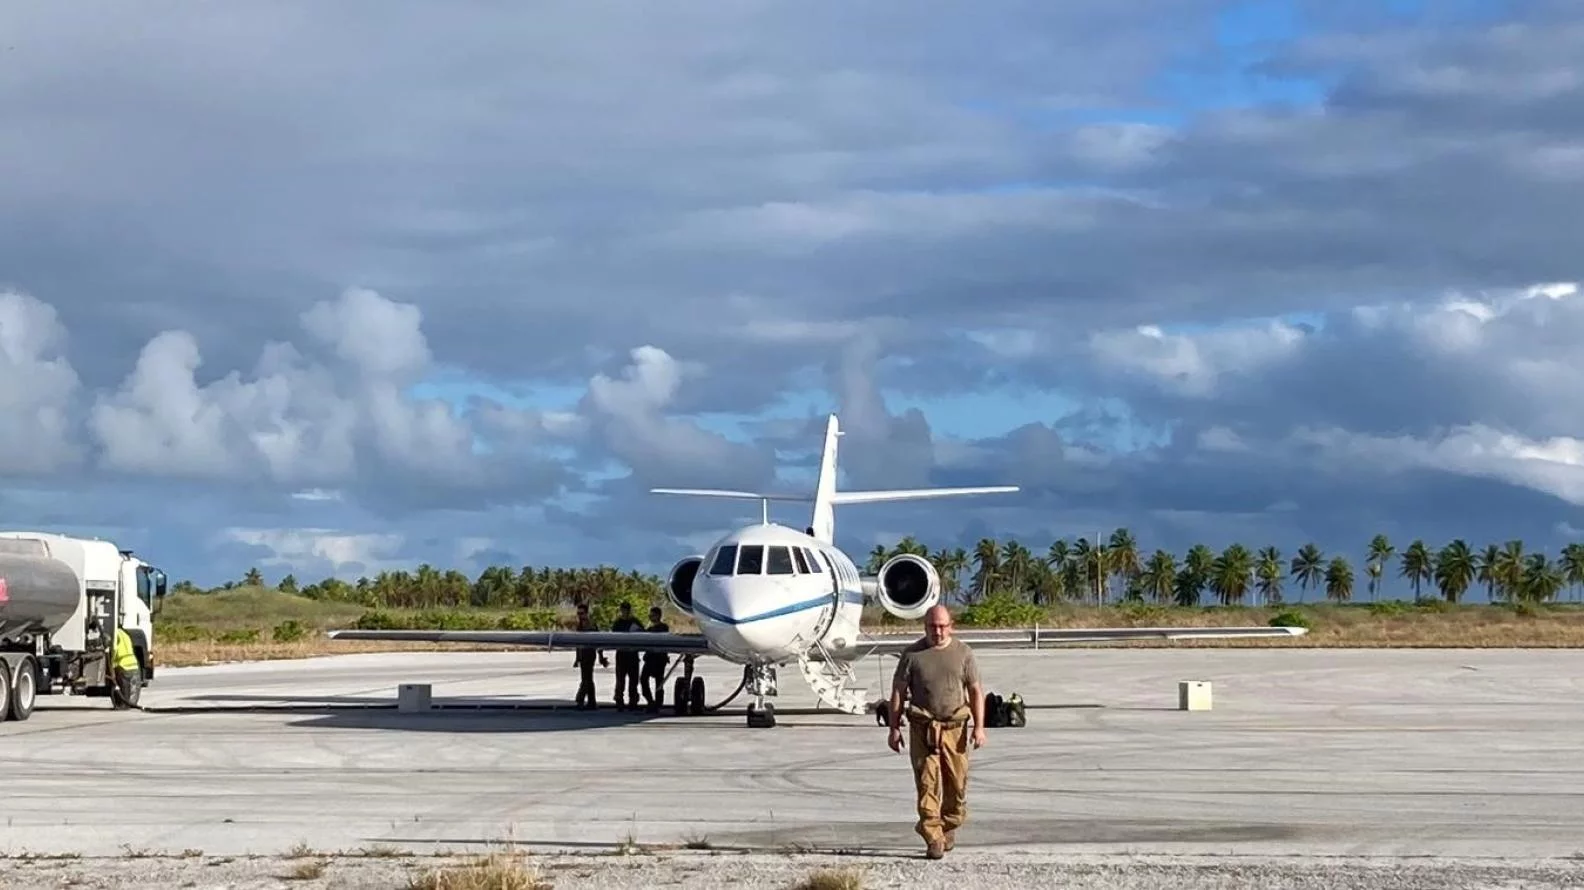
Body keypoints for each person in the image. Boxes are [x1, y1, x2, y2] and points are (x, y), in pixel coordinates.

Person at [886, 604, 986, 860]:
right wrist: (894, 728)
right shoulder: (912, 655)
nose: (937, 631)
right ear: (925, 627)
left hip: (955, 729)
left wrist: (979, 727)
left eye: (942, 626)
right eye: (932, 626)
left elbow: (975, 691)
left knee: (957, 785)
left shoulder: (963, 653)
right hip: (924, 729)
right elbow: (898, 691)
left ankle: (948, 825)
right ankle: (933, 835)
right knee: (927, 783)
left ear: (951, 626)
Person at [572, 602, 607, 709]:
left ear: (586, 613)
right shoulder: (580, 625)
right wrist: (577, 658)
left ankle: (580, 699)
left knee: (586, 679)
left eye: (581, 613)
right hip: (583, 655)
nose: (580, 616)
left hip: (589, 655)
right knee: (588, 679)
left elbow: (597, 641)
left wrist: (601, 656)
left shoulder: (591, 625)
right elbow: (578, 643)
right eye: (578, 613)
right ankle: (591, 701)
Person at [610, 601, 643, 710]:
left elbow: (643, 633)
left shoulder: (635, 622)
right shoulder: (617, 623)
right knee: (620, 680)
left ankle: (633, 701)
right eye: (623, 609)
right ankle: (619, 700)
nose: (625, 611)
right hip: (621, 656)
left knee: (633, 681)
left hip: (633, 656)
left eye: (627, 609)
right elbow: (613, 637)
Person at [640, 605, 670, 713]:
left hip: (659, 660)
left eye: (653, 615)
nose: (651, 617)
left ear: (658, 616)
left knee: (659, 682)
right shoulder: (650, 629)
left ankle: (657, 703)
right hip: (649, 659)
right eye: (650, 615)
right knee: (643, 679)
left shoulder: (663, 628)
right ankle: (650, 701)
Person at [110, 624, 142, 709]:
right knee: (130, 687)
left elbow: (114, 649)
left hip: (123, 664)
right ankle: (129, 703)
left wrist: (111, 663)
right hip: (133, 663)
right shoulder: (125, 634)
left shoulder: (115, 634)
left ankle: (123, 705)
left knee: (123, 687)